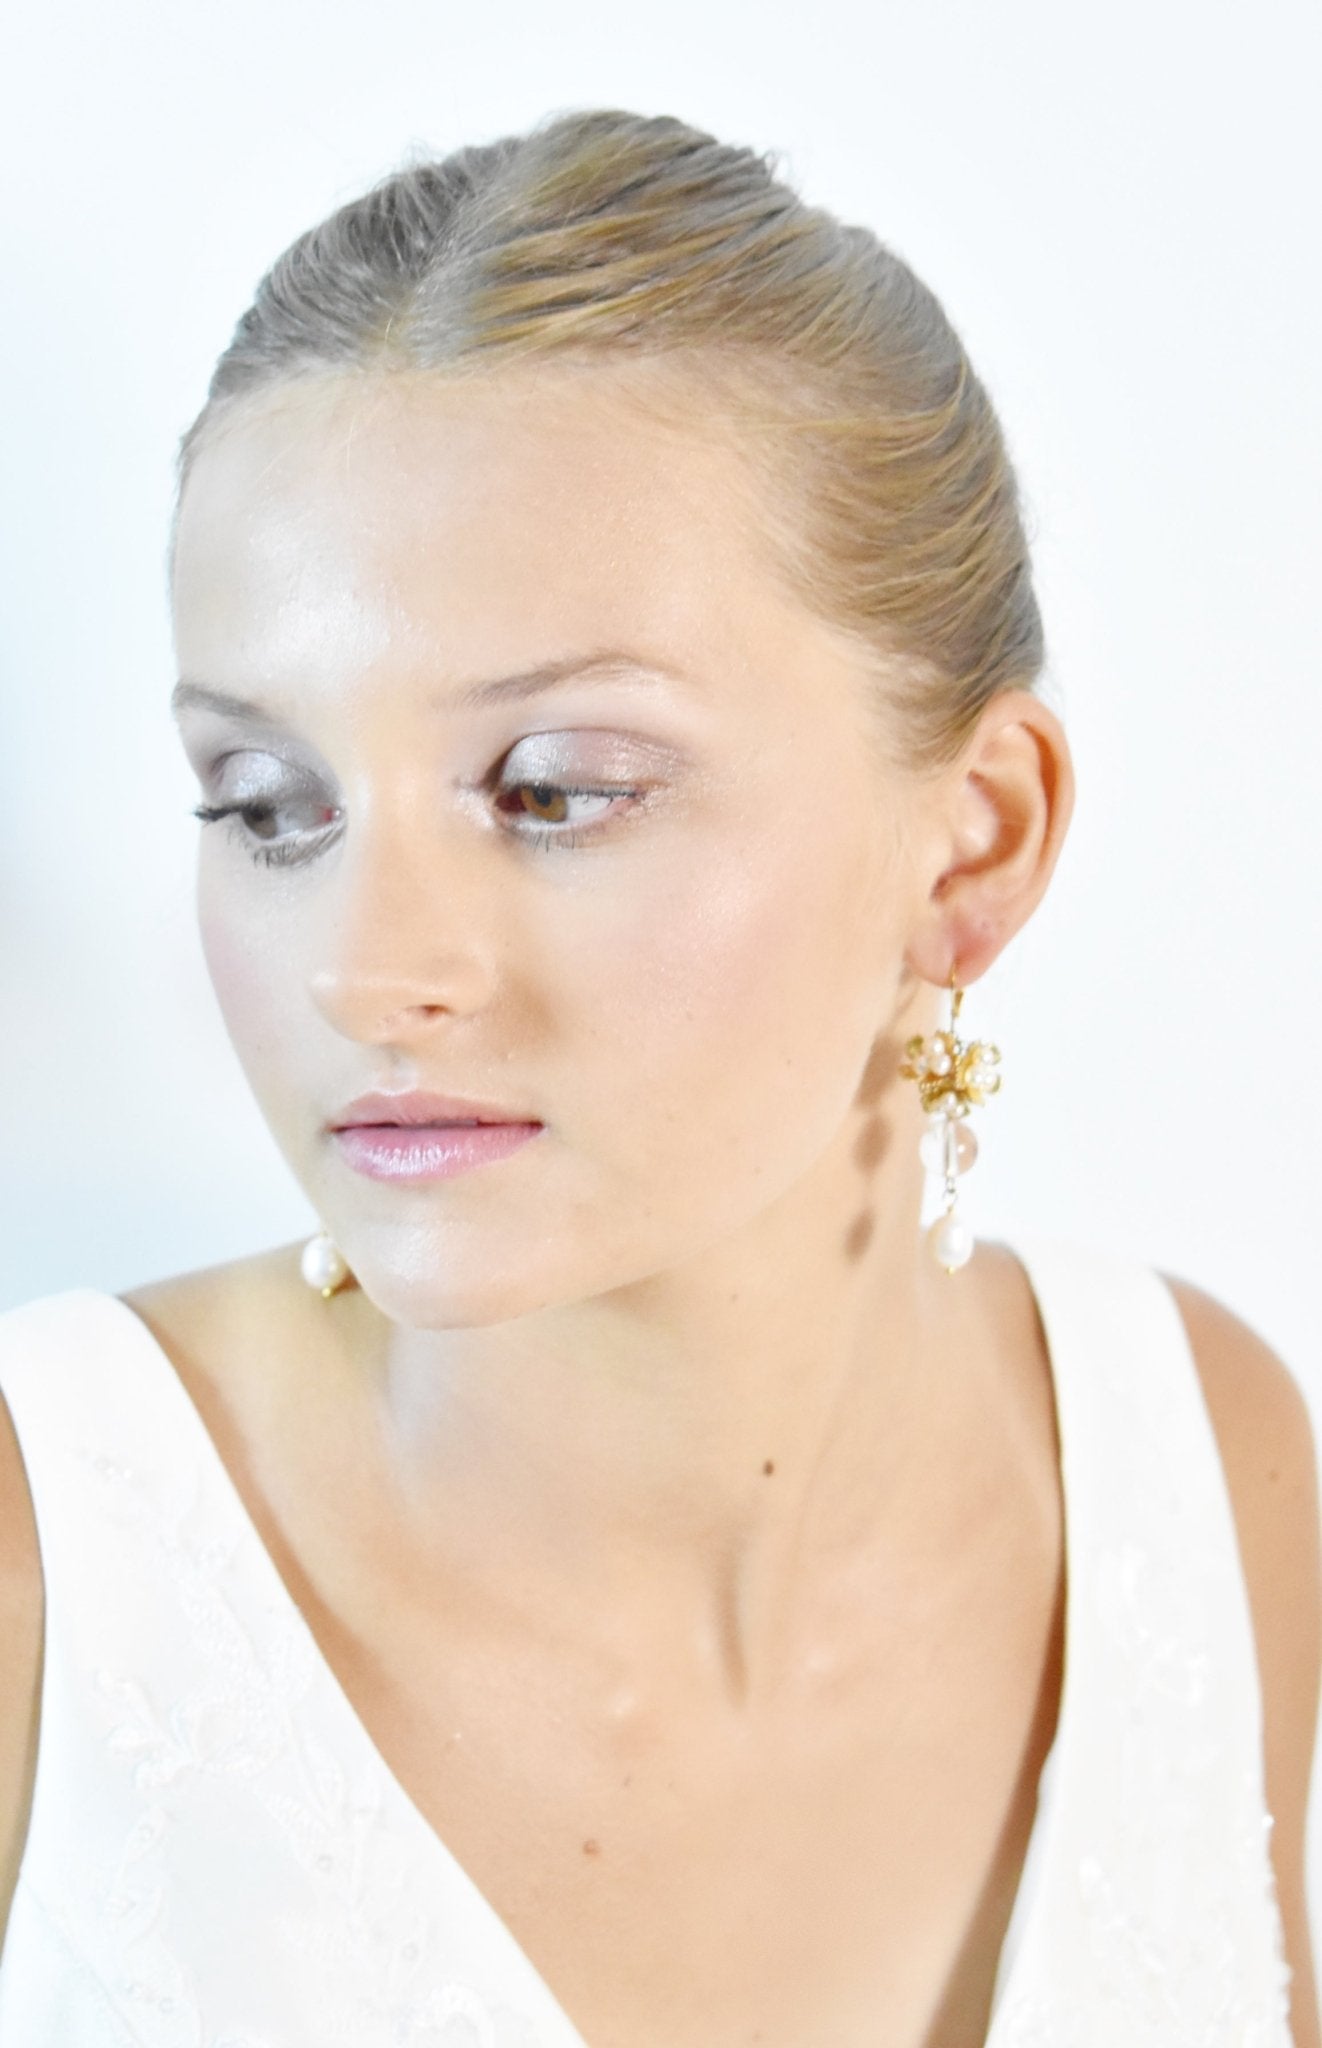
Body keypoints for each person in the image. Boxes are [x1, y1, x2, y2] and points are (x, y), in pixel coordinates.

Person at [0, 105, 1316, 2048]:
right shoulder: (43, 1567)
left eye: (556, 792)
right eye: (266, 806)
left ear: (971, 839)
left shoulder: (1193, 1455)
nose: (368, 968)